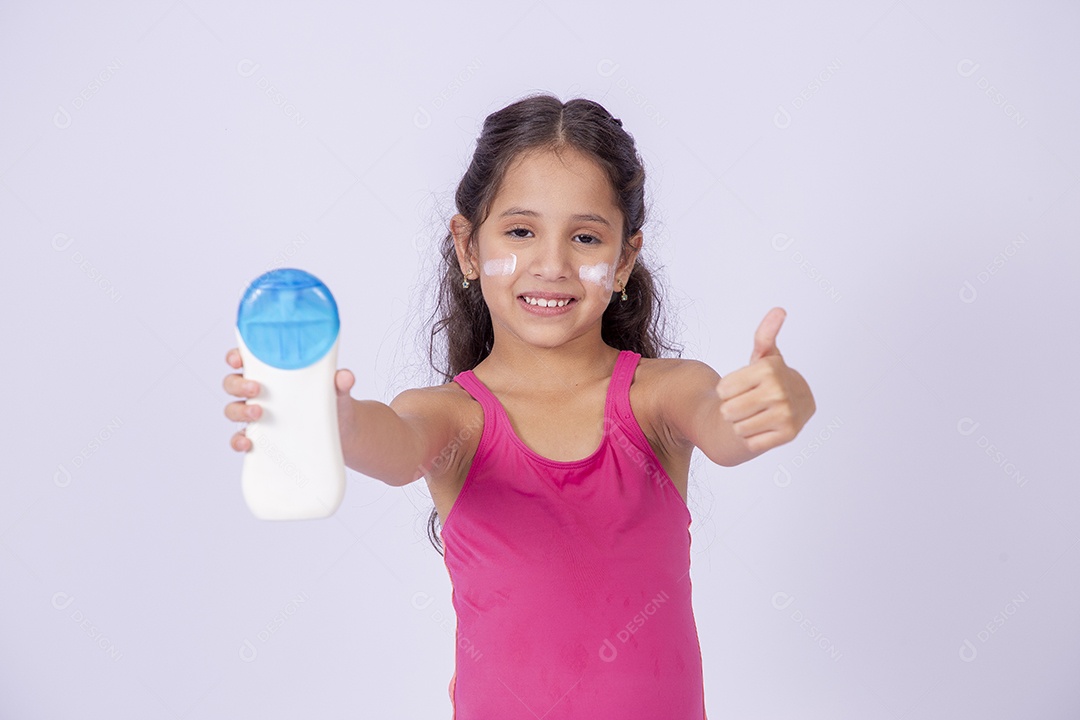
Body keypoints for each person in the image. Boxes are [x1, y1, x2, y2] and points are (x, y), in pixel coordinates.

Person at [222, 93, 816, 719]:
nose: (552, 263)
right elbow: (393, 445)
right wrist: (329, 420)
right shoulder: (455, 416)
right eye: (521, 231)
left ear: (625, 260)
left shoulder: (659, 397)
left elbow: (724, 426)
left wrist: (780, 400)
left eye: (585, 237)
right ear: (468, 248)